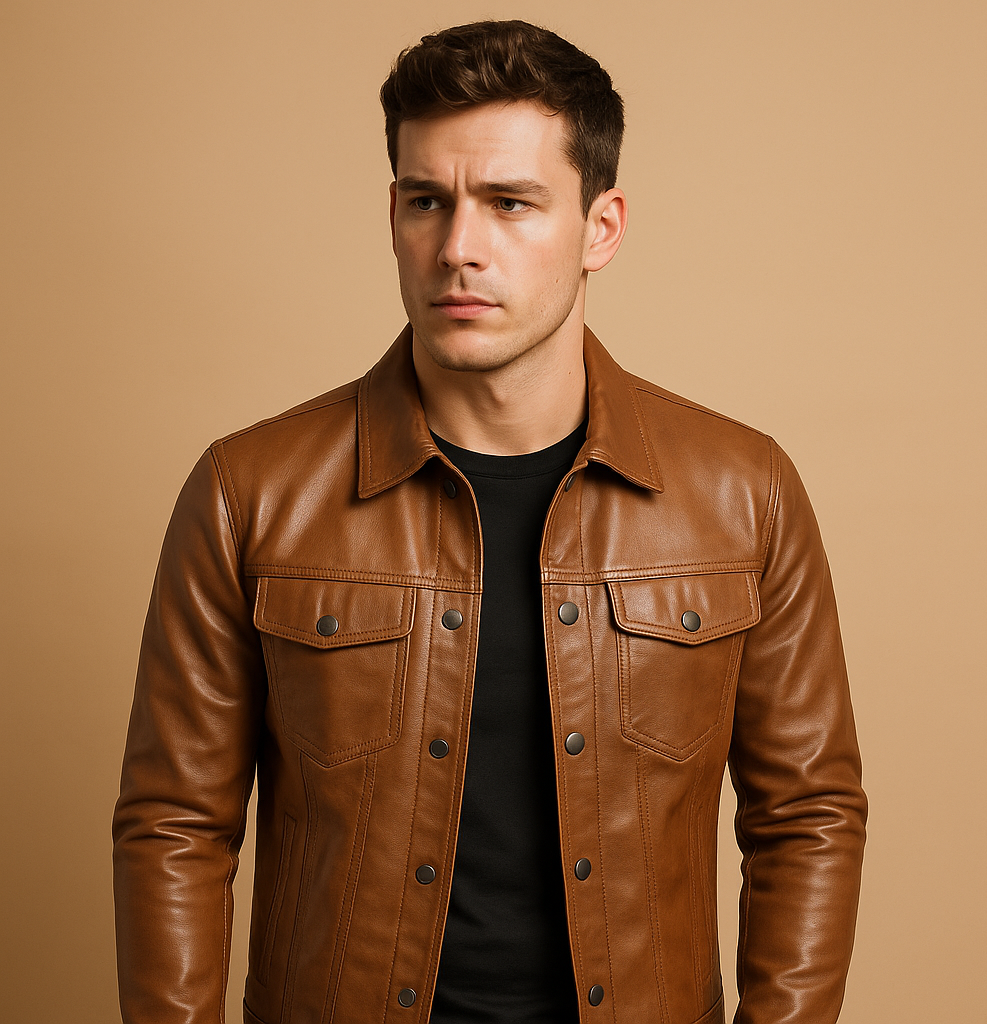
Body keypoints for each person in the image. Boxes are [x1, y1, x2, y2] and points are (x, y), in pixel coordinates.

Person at [113, 19, 866, 1024]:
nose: (458, 248)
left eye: (511, 203)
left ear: (601, 227)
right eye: (427, 201)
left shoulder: (743, 491)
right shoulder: (249, 491)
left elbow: (808, 814)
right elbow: (175, 824)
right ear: (393, 215)